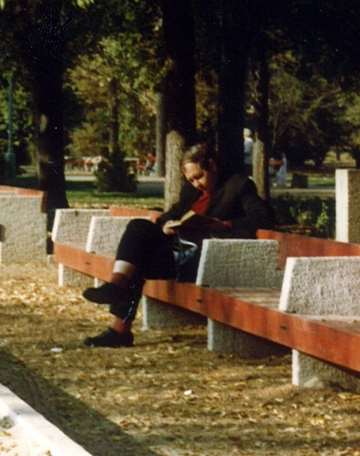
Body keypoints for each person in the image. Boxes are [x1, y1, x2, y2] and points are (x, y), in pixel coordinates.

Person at [82, 141, 273, 348]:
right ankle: (117, 288)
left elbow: (263, 217)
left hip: (204, 259)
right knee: (138, 229)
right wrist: (166, 224)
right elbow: (171, 214)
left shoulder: (239, 185)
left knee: (137, 261)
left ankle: (120, 328)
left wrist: (224, 224)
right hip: (178, 252)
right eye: (190, 179)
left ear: (212, 165)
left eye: (199, 177)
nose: (196, 184)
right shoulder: (190, 191)